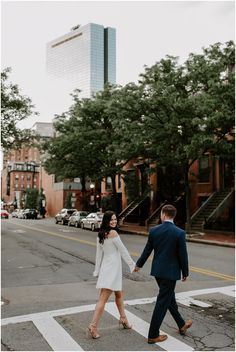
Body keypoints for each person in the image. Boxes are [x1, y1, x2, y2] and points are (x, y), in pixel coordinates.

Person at [134, 204, 192, 344]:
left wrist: (138, 264)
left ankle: (181, 324)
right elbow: (182, 255)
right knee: (162, 302)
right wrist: (185, 272)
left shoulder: (154, 230)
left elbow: (147, 250)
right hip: (170, 273)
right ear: (173, 216)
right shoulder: (179, 233)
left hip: (158, 272)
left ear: (163, 215)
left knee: (169, 298)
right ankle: (153, 334)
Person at [87, 210, 136, 339]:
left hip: (107, 267)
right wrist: (132, 265)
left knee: (119, 294)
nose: (114, 221)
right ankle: (93, 326)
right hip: (112, 269)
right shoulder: (113, 233)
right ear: (106, 221)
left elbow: (99, 255)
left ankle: (123, 319)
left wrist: (97, 270)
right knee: (103, 299)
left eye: (115, 219)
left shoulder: (100, 234)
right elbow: (123, 250)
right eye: (111, 219)